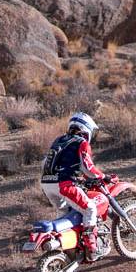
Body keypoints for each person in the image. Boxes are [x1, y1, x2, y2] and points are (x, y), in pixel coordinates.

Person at [40, 112, 107, 261]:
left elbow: (45, 163)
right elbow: (88, 167)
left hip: (46, 183)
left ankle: (67, 248)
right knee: (90, 208)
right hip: (65, 184)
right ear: (86, 129)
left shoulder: (59, 140)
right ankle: (92, 248)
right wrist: (103, 176)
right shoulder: (82, 142)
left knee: (64, 212)